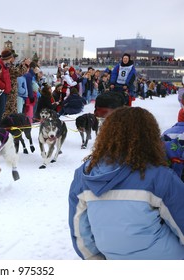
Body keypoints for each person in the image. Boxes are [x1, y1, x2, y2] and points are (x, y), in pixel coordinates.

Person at [69, 106, 184, 260]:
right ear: (150, 136)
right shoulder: (160, 175)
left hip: (112, 257)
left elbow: (79, 227)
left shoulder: (84, 174)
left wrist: (94, 259)